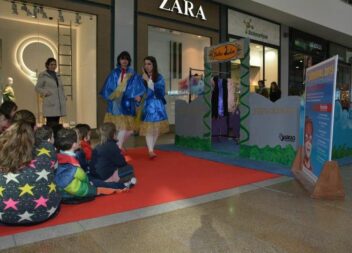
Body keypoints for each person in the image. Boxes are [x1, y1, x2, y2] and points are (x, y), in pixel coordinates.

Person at [0, 115, 61, 225]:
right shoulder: (47, 147)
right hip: (46, 210)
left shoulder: (1, 146)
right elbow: (54, 172)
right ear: (35, 129)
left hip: (4, 214)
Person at [100, 51, 145, 151]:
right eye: (122, 59)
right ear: (119, 60)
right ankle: (118, 147)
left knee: (129, 129)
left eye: (126, 59)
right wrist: (112, 96)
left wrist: (137, 96)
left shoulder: (133, 73)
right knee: (117, 127)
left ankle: (117, 146)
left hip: (127, 101)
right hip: (116, 101)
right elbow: (108, 87)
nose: (124, 61)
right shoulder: (114, 72)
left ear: (129, 61)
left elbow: (137, 87)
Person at [89, 122, 136, 189]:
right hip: (106, 176)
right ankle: (114, 182)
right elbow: (122, 163)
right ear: (113, 134)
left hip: (95, 175)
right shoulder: (113, 146)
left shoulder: (97, 146)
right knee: (129, 168)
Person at [139, 56, 169, 159]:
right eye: (145, 64)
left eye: (149, 64)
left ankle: (151, 149)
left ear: (153, 65)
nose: (147, 66)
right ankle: (150, 150)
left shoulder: (159, 77)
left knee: (156, 129)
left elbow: (159, 91)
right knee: (149, 129)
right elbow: (140, 91)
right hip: (148, 105)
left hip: (158, 105)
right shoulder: (142, 77)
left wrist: (148, 80)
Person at [35, 58, 66, 128]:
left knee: (57, 123)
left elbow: (61, 87)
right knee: (51, 123)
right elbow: (37, 87)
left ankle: (55, 137)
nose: (54, 66)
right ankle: (49, 137)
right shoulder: (43, 75)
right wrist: (46, 92)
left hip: (58, 104)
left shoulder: (58, 75)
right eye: (51, 64)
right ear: (47, 65)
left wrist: (64, 96)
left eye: (55, 64)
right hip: (50, 102)